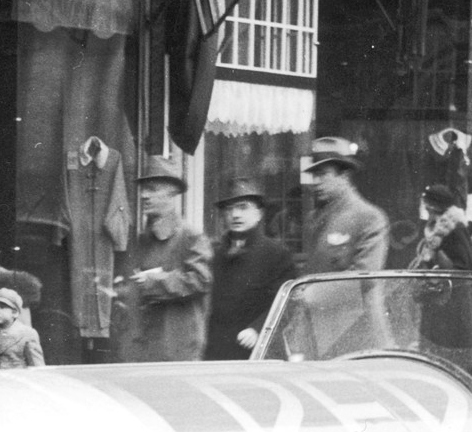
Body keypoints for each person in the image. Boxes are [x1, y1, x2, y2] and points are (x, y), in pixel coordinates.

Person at [112, 155, 213, 362]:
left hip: (176, 349)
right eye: (143, 189)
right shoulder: (143, 240)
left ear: (172, 193)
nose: (144, 196)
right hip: (143, 348)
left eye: (153, 189)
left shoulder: (191, 237)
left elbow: (201, 280)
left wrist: (154, 282)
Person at [204, 177, 295, 360]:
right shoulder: (214, 254)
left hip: (259, 352)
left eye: (243, 207)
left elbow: (288, 304)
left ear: (259, 213)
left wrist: (258, 329)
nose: (235, 215)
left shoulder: (277, 254)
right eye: (229, 209)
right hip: (217, 352)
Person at [302, 136, 389, 276]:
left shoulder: (369, 217)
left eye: (323, 174)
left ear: (344, 176)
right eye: (314, 176)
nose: (316, 182)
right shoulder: (314, 218)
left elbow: (365, 278)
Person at [408, 183, 472, 271]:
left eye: (429, 208)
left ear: (435, 207)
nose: (427, 210)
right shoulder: (435, 230)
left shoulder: (456, 229)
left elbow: (465, 266)